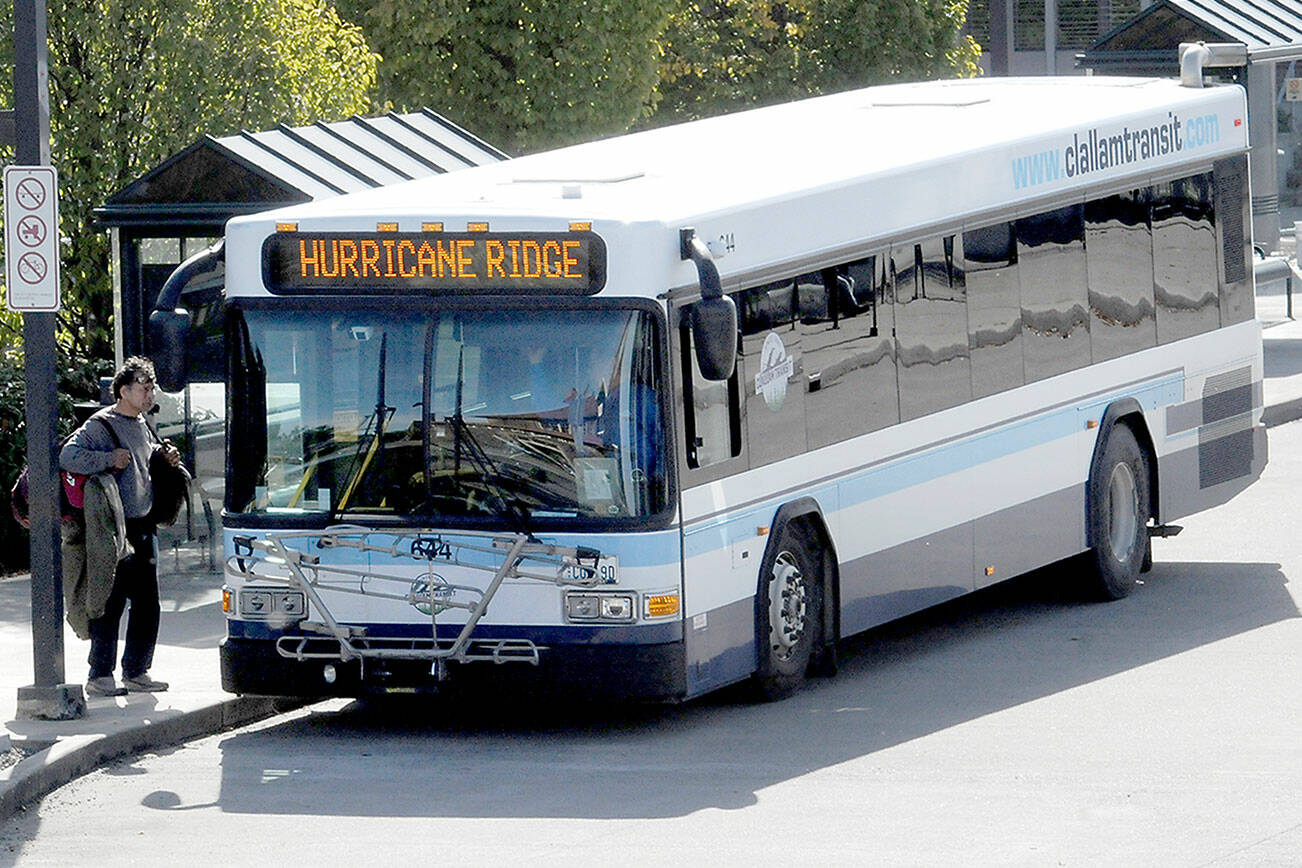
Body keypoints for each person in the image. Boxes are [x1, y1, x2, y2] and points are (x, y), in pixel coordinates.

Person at [59, 357, 185, 697]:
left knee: (148, 602)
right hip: (111, 527)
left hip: (143, 524)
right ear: (123, 390)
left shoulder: (143, 423)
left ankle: (137, 671)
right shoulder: (101, 425)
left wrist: (164, 457)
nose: (149, 394)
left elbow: (146, 460)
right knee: (109, 600)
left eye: (151, 388)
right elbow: (68, 456)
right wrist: (107, 459)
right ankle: (100, 676)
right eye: (144, 388)